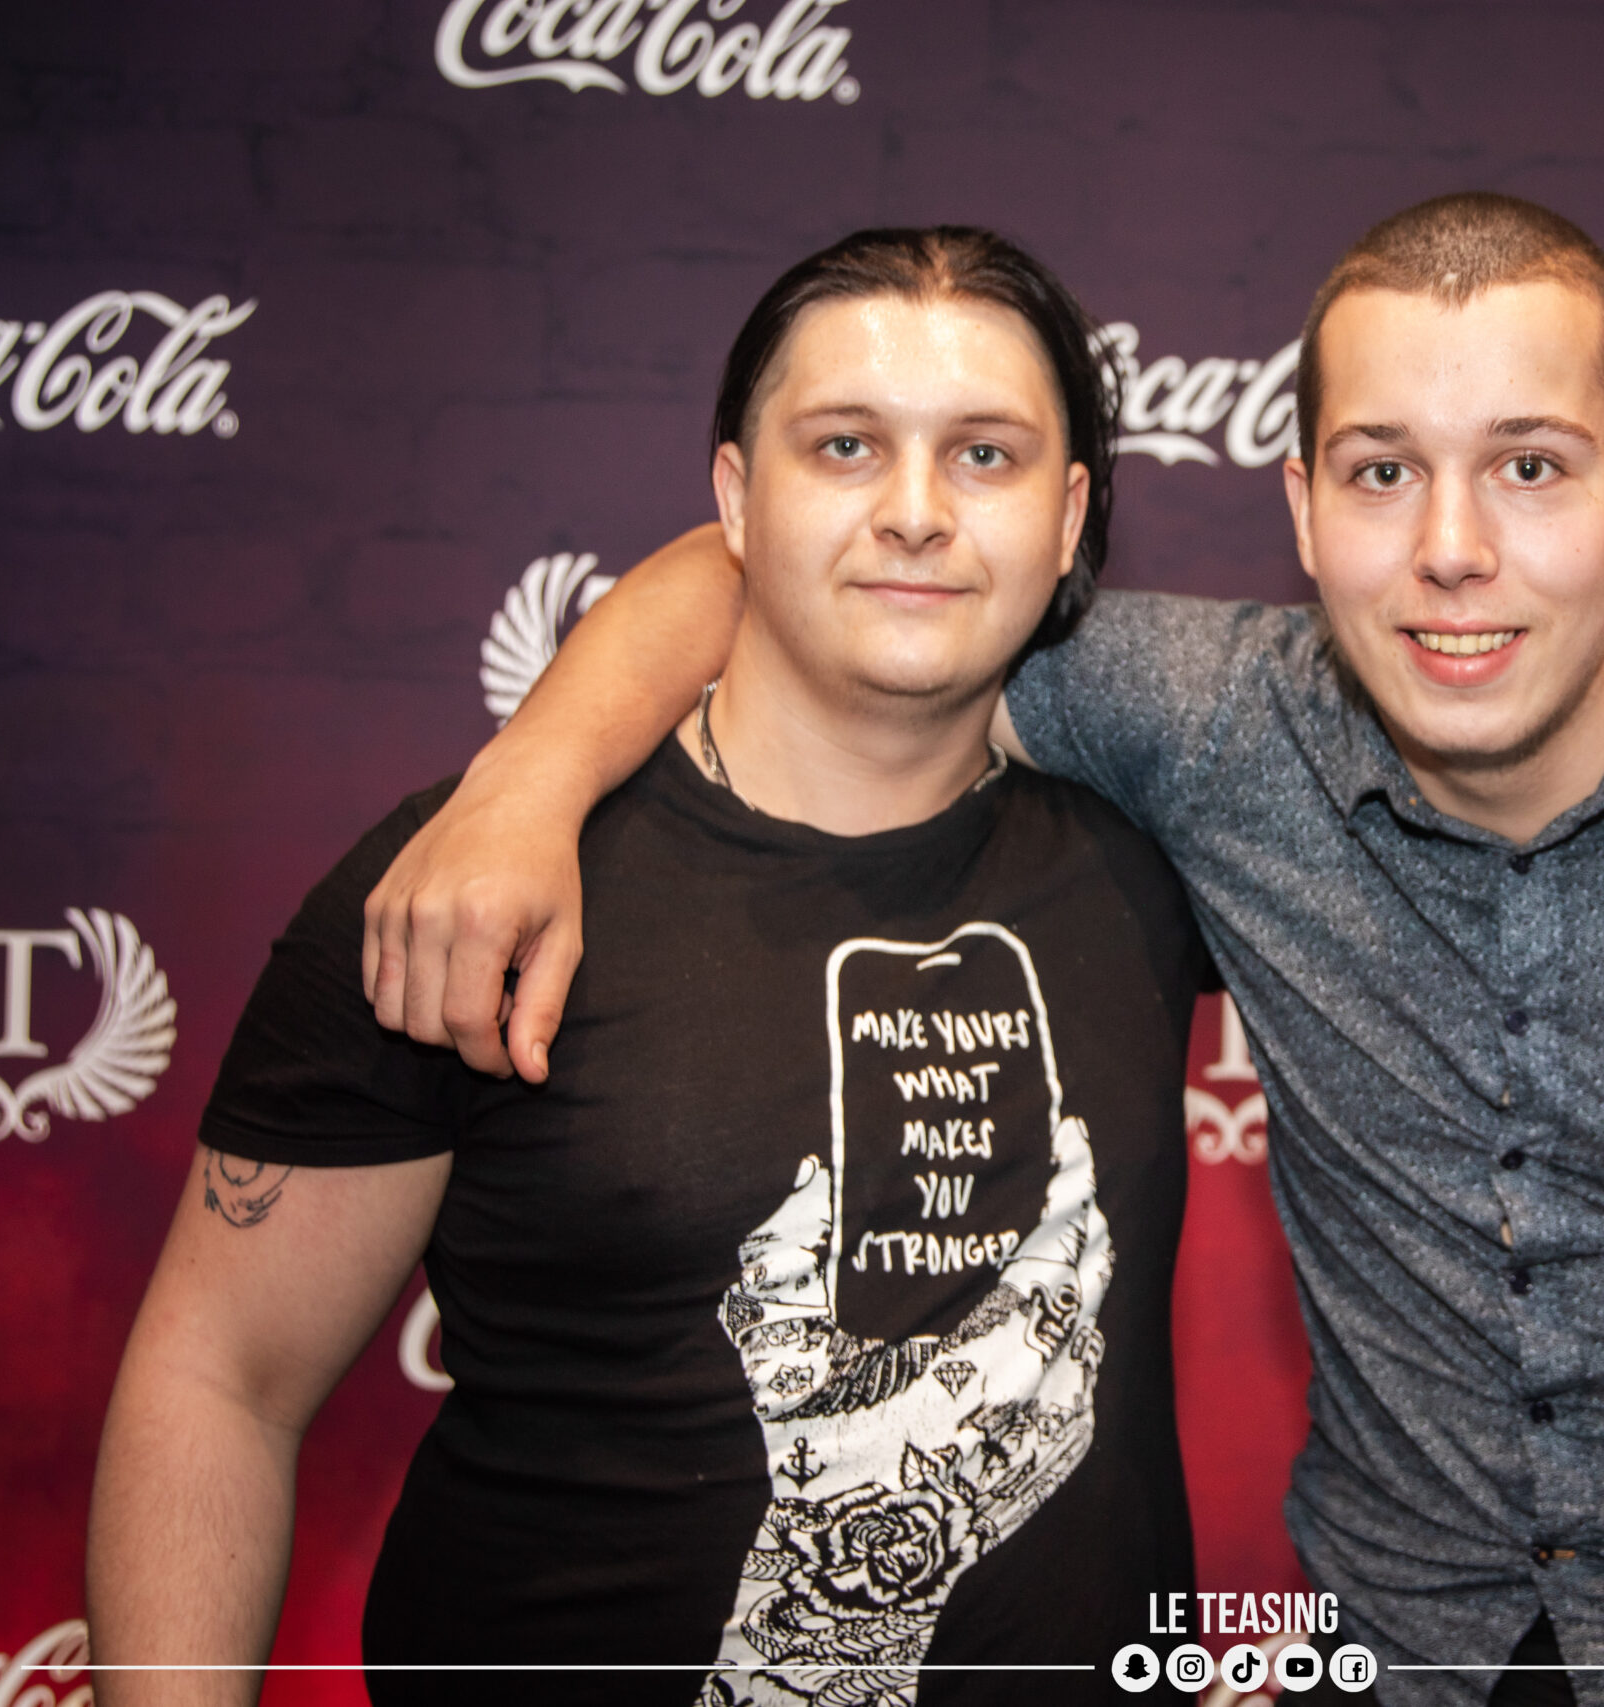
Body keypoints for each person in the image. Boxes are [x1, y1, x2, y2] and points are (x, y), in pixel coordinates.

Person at [368, 196, 1604, 1707]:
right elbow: (786, 567)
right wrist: (527, 782)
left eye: (1533, 469)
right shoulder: (1217, 728)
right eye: (1383, 474)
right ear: (1301, 509)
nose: (1453, 552)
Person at [88, 228, 1221, 1707]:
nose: (916, 512)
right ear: (737, 499)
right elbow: (220, 1382)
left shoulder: (1164, 858)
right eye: (844, 446)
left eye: (985, 456)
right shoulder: (473, 889)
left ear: (1068, 516)